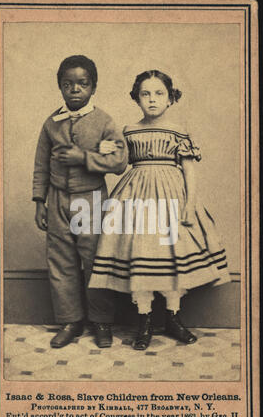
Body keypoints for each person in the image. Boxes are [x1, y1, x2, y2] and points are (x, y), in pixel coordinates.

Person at [89, 69, 231, 350]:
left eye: (159, 93)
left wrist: (189, 205)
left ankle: (173, 318)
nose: (152, 100)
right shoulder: (129, 130)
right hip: (135, 197)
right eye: (145, 94)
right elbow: (120, 163)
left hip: (171, 197)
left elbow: (189, 169)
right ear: (136, 98)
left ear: (170, 99)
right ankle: (145, 322)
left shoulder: (178, 130)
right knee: (141, 254)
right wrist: (104, 149)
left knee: (172, 256)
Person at [33, 55, 127, 348]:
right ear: (60, 87)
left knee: (96, 261)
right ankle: (70, 321)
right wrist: (40, 200)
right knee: (61, 263)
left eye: (82, 84)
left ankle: (101, 321)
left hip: (92, 201)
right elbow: (40, 165)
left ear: (93, 87)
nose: (75, 89)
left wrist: (84, 158)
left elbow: (119, 160)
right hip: (58, 199)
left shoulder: (103, 122)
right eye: (68, 84)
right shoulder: (52, 123)